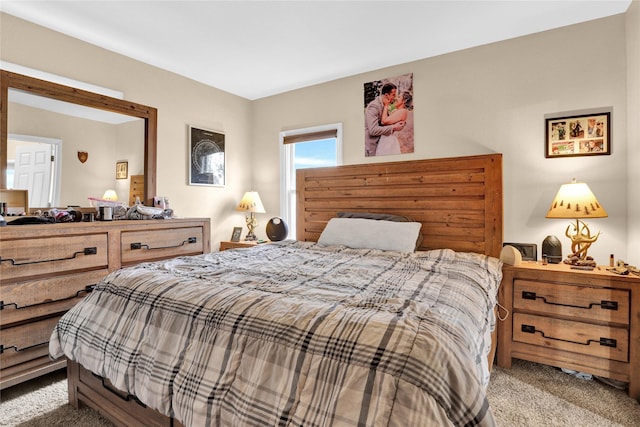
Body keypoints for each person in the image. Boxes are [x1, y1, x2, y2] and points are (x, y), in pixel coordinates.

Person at [364, 83, 406, 156]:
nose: (395, 97)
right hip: (373, 147)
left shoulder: (388, 105)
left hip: (384, 145)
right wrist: (393, 127)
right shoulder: (374, 106)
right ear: (387, 95)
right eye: (393, 95)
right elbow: (373, 130)